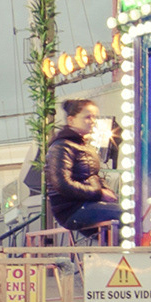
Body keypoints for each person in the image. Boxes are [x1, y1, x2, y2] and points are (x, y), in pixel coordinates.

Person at [37, 100, 114, 242]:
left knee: (127, 216)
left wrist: (107, 191)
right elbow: (62, 184)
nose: (92, 121)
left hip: (86, 204)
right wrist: (99, 193)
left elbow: (93, 175)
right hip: (73, 209)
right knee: (127, 216)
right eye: (87, 117)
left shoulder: (85, 147)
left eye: (95, 117)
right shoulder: (61, 147)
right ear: (71, 120)